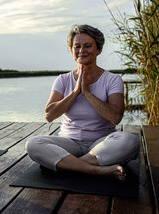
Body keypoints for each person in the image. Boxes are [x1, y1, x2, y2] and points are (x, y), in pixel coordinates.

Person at [25, 24, 139, 181]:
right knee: (33, 144)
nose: (81, 50)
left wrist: (87, 93)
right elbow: (49, 115)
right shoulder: (63, 80)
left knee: (130, 141)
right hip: (68, 143)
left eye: (87, 46)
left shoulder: (113, 80)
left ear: (99, 49)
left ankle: (68, 166)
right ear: (72, 51)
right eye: (76, 46)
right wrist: (75, 92)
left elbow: (115, 117)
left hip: (101, 144)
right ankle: (96, 170)